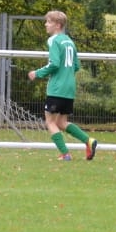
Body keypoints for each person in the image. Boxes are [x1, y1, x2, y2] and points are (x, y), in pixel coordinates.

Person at [26, 10, 98, 161]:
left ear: (58, 25)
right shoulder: (70, 41)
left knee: (50, 122)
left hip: (57, 89)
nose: (46, 24)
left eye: (49, 22)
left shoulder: (54, 40)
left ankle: (65, 154)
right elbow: (76, 66)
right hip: (69, 88)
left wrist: (37, 73)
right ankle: (89, 141)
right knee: (61, 122)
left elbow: (54, 64)